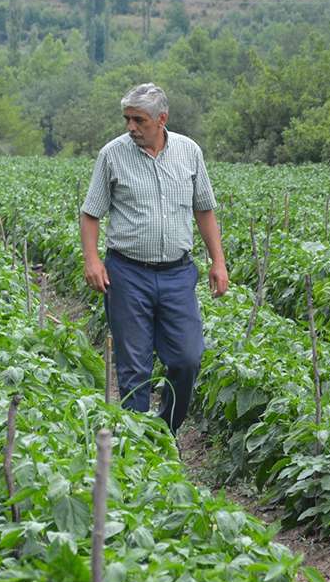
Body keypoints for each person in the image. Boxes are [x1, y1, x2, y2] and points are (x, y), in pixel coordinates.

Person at [79, 83, 229, 433]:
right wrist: (92, 260)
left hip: (178, 274)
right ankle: (138, 449)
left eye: (139, 120)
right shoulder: (112, 155)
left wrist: (217, 261)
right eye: (127, 119)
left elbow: (204, 209)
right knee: (134, 368)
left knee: (187, 359)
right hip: (128, 274)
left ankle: (165, 430)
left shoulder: (189, 152)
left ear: (162, 119)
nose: (131, 127)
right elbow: (91, 213)